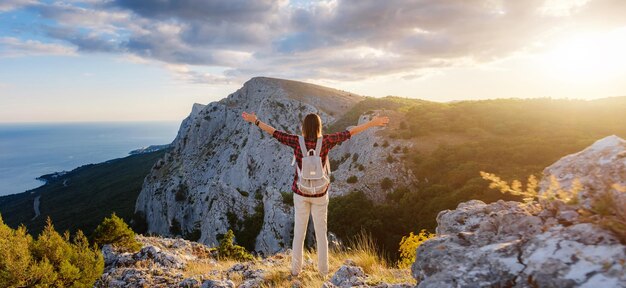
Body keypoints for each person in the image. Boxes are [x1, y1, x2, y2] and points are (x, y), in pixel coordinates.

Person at [241, 111, 389, 277]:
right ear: (319, 127)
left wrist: (256, 121)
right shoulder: (325, 141)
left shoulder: (297, 142)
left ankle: (296, 271)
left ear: (303, 127)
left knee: (299, 234)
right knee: (321, 234)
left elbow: (275, 133)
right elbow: (349, 133)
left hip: (301, 193)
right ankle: (323, 272)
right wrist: (372, 123)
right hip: (320, 194)